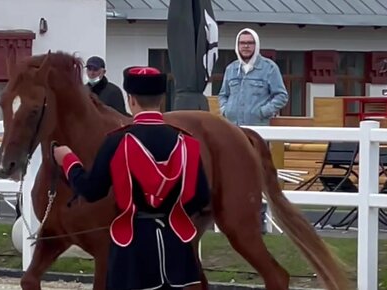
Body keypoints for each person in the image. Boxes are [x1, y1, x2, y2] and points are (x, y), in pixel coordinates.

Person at [54, 66, 211, 290]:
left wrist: (68, 160)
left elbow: (91, 190)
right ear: (161, 98)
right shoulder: (186, 142)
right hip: (176, 245)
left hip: (132, 246)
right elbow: (201, 197)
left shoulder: (117, 141)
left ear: (131, 100)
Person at [218, 28, 289, 234]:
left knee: (257, 175)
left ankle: (258, 222)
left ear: (256, 45)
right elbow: (223, 94)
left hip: (257, 133)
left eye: (249, 42)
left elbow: (281, 96)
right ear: (237, 46)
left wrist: (262, 112)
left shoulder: (269, 68)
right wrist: (225, 109)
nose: (246, 46)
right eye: (242, 43)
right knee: (231, 175)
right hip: (233, 132)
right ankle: (233, 220)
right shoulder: (231, 69)